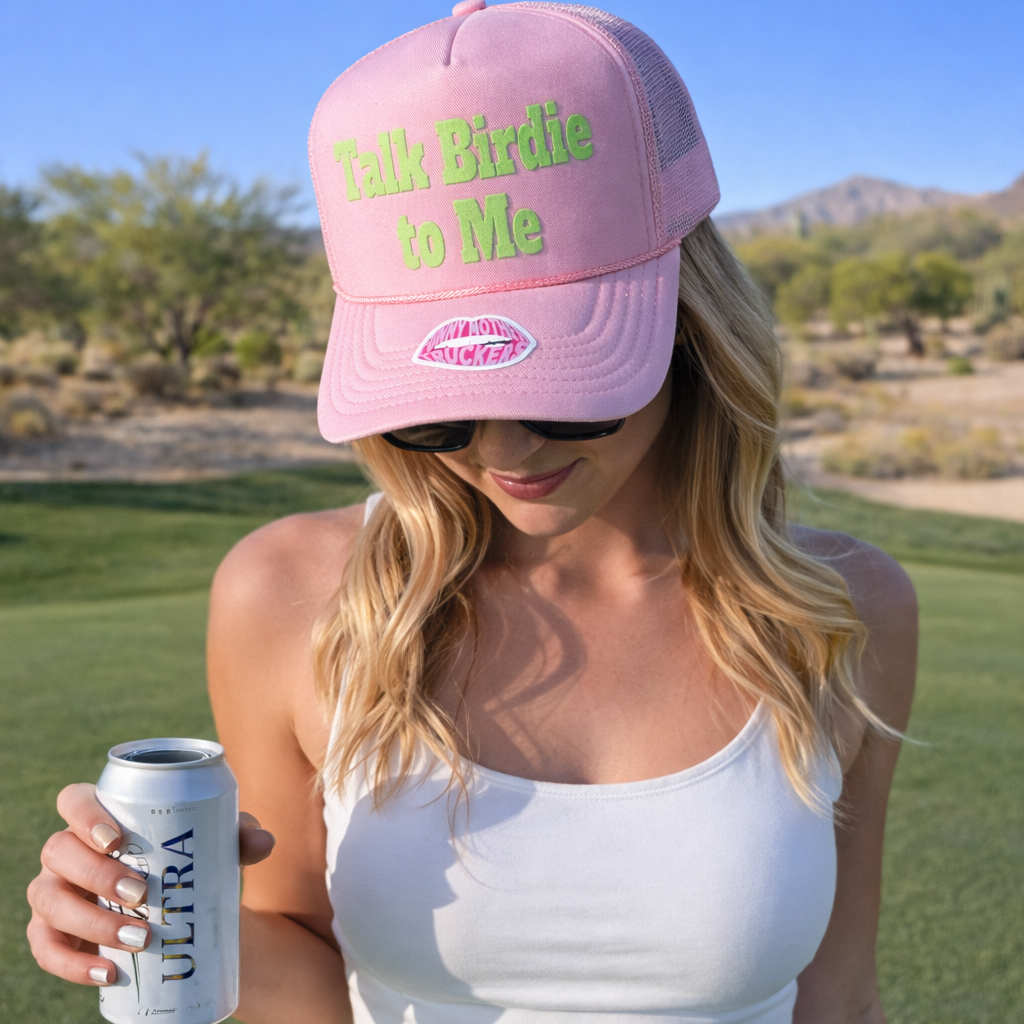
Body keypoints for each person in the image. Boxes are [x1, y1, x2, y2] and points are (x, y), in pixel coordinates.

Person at [26, 3, 918, 1023]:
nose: (502, 452)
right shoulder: (285, 594)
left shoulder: (846, 610)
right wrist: (168, 925)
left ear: (693, 323)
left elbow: (838, 992)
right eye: (438, 411)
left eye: (563, 385)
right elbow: (296, 948)